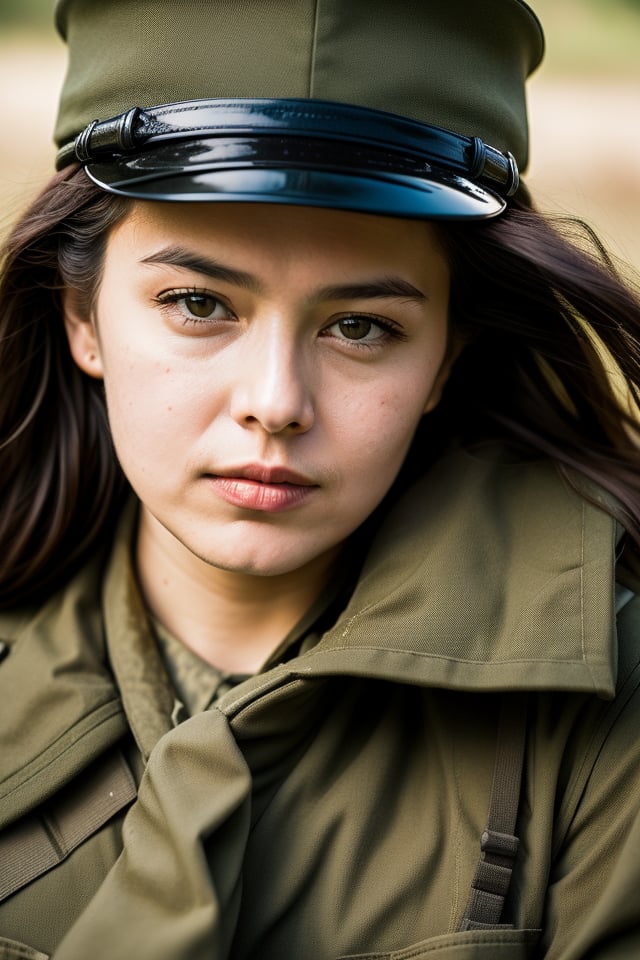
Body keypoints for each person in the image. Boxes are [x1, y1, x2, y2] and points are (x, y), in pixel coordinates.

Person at [1, 0, 640, 957]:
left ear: (447, 361)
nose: (276, 402)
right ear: (81, 316)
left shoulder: (609, 707)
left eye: (360, 327)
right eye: (199, 303)